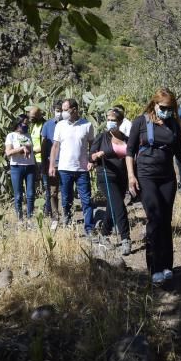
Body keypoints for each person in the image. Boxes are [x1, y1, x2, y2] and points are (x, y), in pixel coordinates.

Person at [126, 87, 181, 285]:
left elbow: (180, 153)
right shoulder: (140, 122)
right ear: (154, 104)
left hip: (167, 178)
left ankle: (167, 266)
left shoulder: (174, 124)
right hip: (146, 176)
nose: (166, 111)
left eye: (170, 108)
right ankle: (155, 267)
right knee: (155, 218)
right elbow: (129, 152)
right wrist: (131, 176)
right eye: (163, 107)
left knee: (166, 220)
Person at [49, 98, 96, 236]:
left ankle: (89, 228)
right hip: (64, 169)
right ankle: (68, 223)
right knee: (66, 199)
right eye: (62, 110)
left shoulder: (87, 125)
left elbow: (92, 145)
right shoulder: (60, 125)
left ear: (74, 109)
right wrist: (52, 165)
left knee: (86, 200)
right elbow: (55, 146)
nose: (63, 112)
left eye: (65, 110)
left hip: (82, 169)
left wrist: (91, 161)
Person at [90, 107, 132, 255]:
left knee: (112, 206)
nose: (110, 122)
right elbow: (91, 156)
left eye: (113, 120)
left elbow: (132, 156)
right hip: (106, 176)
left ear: (120, 122)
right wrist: (96, 156)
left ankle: (103, 234)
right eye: (108, 120)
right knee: (119, 205)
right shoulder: (102, 137)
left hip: (122, 177)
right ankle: (126, 238)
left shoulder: (127, 139)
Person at [5, 114, 36, 222]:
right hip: (16, 167)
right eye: (25, 123)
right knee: (18, 195)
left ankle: (30, 218)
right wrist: (21, 148)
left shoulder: (28, 135)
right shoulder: (11, 136)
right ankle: (20, 219)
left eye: (28, 123)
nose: (27, 125)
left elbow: (31, 151)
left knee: (30, 194)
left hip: (30, 166)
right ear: (18, 124)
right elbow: (8, 152)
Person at [41, 100, 63, 229]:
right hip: (52, 164)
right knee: (53, 191)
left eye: (62, 111)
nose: (60, 113)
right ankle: (55, 216)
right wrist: (45, 163)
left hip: (67, 163)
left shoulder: (69, 124)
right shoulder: (47, 125)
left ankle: (67, 215)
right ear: (53, 111)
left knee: (66, 191)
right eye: (58, 111)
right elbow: (44, 146)